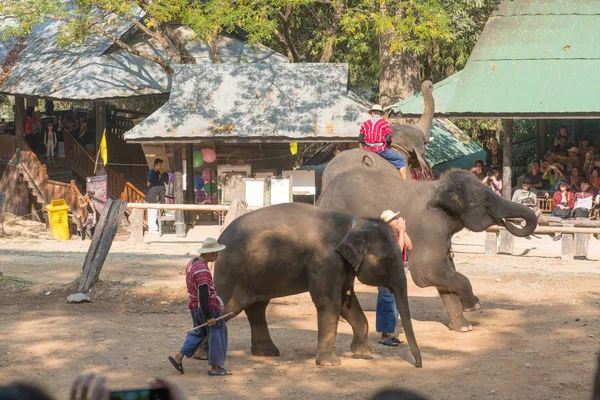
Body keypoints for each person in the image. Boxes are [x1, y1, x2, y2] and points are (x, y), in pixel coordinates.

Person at [169, 237, 230, 376]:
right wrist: (209, 317)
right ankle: (216, 367)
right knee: (217, 335)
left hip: (195, 306)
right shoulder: (202, 270)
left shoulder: (193, 263)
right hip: (207, 307)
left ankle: (178, 357)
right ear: (208, 254)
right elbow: (203, 294)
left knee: (199, 332)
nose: (217, 255)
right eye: (215, 253)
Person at [376, 210, 413, 347]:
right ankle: (385, 336)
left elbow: (409, 246)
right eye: (393, 219)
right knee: (387, 302)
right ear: (387, 223)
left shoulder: (397, 233)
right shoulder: (385, 236)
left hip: (397, 273)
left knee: (395, 303)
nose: (397, 220)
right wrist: (402, 232)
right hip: (387, 273)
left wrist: (404, 231)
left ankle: (389, 334)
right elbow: (398, 249)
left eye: (396, 217)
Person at [359, 105, 407, 179]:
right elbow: (388, 139)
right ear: (380, 114)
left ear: (372, 113)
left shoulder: (365, 124)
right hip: (380, 150)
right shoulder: (384, 123)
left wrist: (368, 145)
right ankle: (405, 181)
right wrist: (388, 146)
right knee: (401, 161)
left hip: (367, 149)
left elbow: (360, 139)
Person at [146, 158, 163, 235]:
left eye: (161, 165)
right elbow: (148, 183)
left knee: (153, 212)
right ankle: (153, 229)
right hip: (152, 194)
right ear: (155, 165)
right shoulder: (151, 172)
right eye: (159, 165)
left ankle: (151, 228)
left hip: (155, 194)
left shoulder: (157, 173)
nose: (160, 166)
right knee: (152, 212)